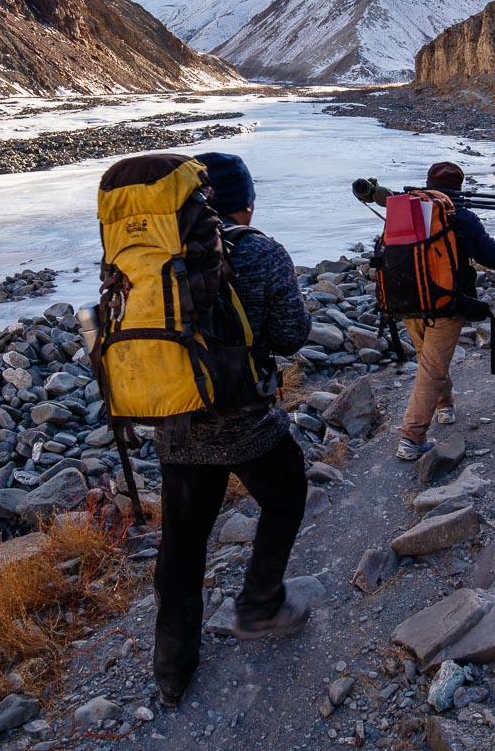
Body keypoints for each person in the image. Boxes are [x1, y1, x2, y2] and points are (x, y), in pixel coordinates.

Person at [150, 151, 313, 708]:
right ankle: (259, 604)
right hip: (245, 419)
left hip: (177, 421)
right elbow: (292, 334)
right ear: (244, 201)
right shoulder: (263, 251)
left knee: (182, 544)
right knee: (287, 492)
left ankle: (172, 671)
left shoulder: (155, 259)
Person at [395, 160, 495, 461]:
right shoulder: (461, 216)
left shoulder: (406, 210)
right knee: (432, 367)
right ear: (460, 187)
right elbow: (494, 257)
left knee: (430, 362)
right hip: (447, 304)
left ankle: (445, 405)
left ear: (428, 182)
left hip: (407, 302)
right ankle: (411, 439)